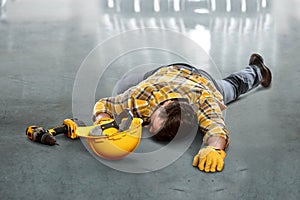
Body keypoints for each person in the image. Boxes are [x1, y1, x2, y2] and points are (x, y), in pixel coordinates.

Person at [92, 53, 272, 173]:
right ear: (165, 104)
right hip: (164, 73)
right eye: (152, 123)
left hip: (203, 82)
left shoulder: (204, 101)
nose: (147, 126)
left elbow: (217, 128)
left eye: (150, 127)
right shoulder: (143, 95)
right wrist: (104, 124)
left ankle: (258, 70)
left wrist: (214, 149)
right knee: (120, 87)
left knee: (233, 86)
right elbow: (105, 104)